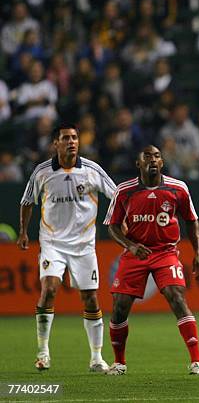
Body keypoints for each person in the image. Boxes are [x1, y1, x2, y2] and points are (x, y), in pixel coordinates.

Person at [18, 123, 117, 372]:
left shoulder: (92, 170)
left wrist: (119, 222)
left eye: (74, 137)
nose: (71, 141)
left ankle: (96, 358)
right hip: (53, 243)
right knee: (50, 289)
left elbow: (117, 196)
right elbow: (27, 201)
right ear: (56, 144)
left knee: (91, 299)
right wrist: (22, 232)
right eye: (66, 138)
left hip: (84, 246)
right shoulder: (42, 172)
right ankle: (43, 352)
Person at [103, 145, 199, 375]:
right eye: (147, 156)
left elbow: (192, 221)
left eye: (157, 156)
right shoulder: (124, 191)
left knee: (176, 297)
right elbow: (112, 226)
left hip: (166, 252)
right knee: (119, 308)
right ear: (138, 163)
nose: (153, 160)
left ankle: (197, 361)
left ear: (162, 163)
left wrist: (198, 254)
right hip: (135, 253)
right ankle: (119, 362)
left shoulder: (177, 188)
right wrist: (130, 245)